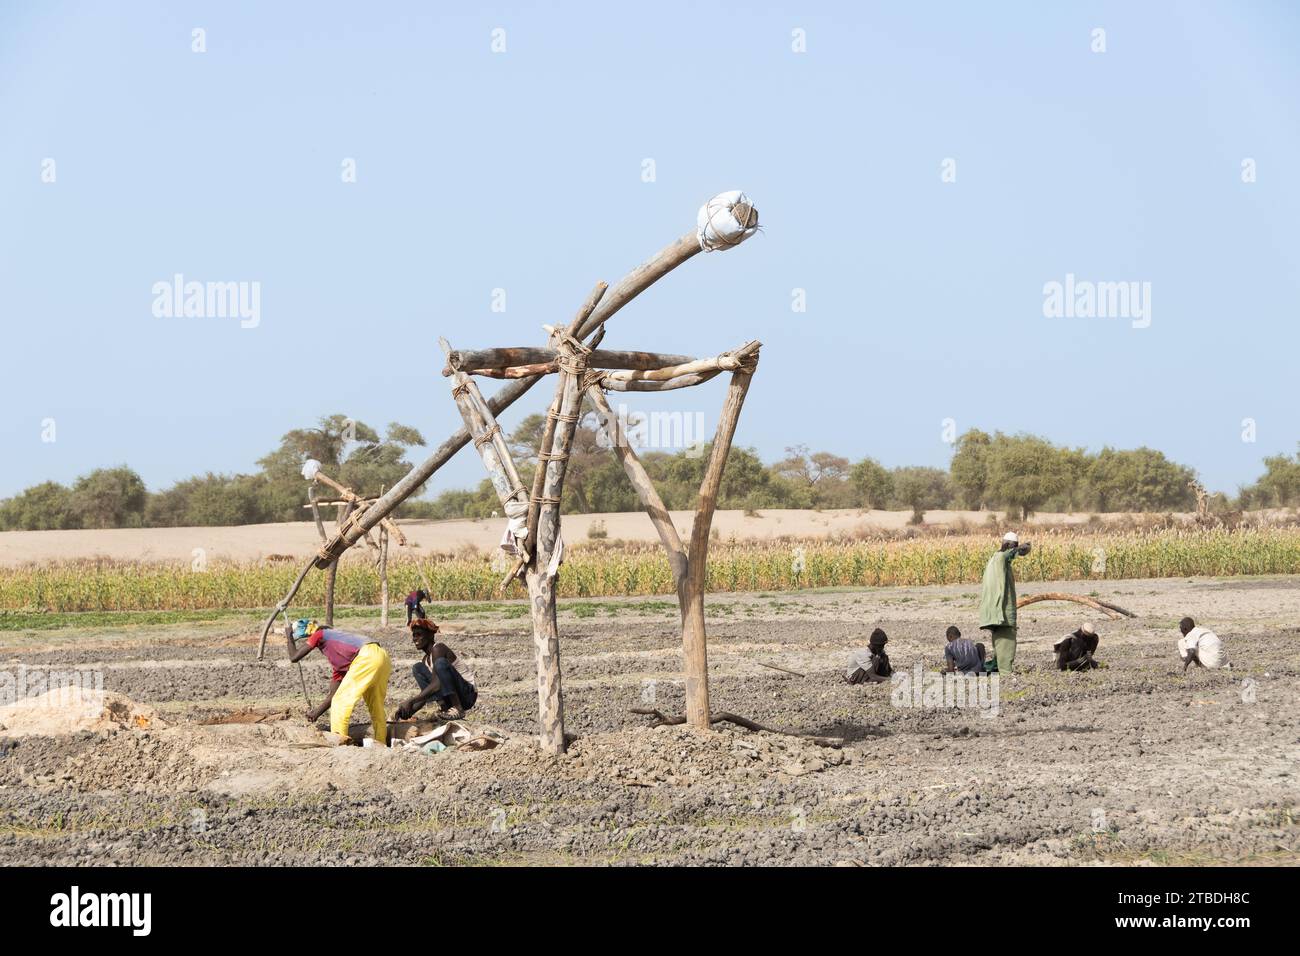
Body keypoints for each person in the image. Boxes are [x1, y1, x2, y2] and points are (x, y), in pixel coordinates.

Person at [286, 618, 392, 745]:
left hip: (366, 657)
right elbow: (333, 694)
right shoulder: (341, 659)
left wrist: (289, 637)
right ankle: (381, 743)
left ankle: (339, 743)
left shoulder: (319, 634)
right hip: (382, 656)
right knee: (376, 707)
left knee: (340, 703)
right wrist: (316, 713)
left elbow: (294, 657)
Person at [393, 618, 478, 720]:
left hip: (467, 695)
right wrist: (408, 711)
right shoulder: (426, 660)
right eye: (414, 635)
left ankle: (458, 709)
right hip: (454, 696)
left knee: (440, 663)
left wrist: (411, 700)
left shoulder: (438, 649)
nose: (415, 638)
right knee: (417, 667)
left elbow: (436, 685)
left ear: (430, 635)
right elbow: (427, 692)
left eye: (419, 634)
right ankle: (445, 708)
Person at [978, 531, 1031, 674]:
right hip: (1003, 611)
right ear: (1008, 545)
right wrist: (1021, 549)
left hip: (995, 610)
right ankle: (1005, 671)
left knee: (1000, 641)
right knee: (1007, 641)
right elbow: (1008, 554)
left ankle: (997, 666)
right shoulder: (1001, 558)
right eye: (1014, 546)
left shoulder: (995, 559)